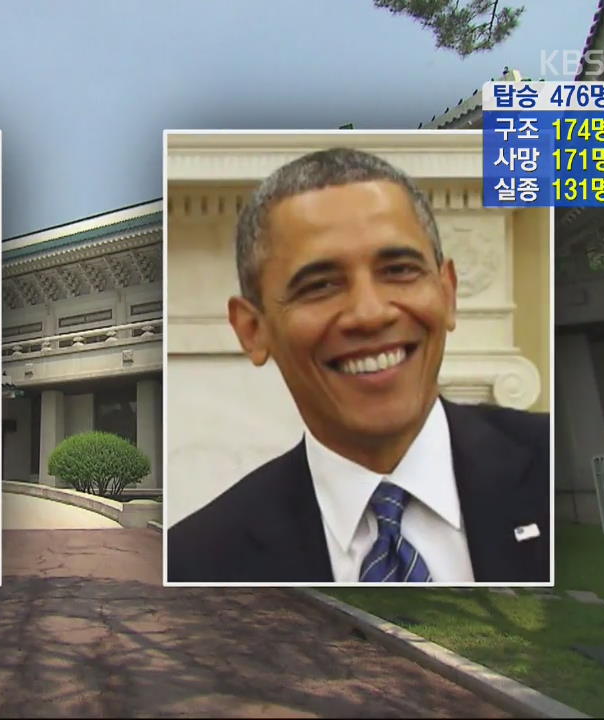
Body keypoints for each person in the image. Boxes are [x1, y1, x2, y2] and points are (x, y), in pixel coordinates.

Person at [167, 147, 549, 583]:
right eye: (321, 285)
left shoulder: (555, 470)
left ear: (447, 293)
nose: (370, 314)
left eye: (400, 270)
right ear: (252, 329)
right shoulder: (199, 559)